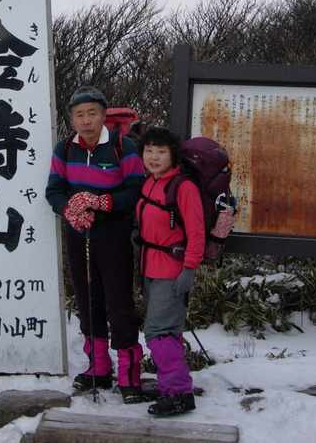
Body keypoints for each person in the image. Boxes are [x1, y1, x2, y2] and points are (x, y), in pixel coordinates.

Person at [45, 86, 147, 402]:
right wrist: (69, 210)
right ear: (71, 119)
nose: (86, 120)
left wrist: (102, 202)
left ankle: (129, 373)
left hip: (113, 234)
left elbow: (136, 190)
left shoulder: (122, 146)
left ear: (103, 116)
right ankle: (98, 367)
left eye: (92, 113)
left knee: (119, 302)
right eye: (79, 115)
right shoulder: (65, 149)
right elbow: (54, 190)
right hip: (78, 234)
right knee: (88, 300)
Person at [135, 126, 205, 416]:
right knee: (168, 331)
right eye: (149, 150)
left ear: (173, 155)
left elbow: (197, 232)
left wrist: (189, 269)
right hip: (150, 267)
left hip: (171, 270)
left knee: (158, 331)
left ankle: (178, 393)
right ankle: (171, 384)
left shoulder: (183, 187)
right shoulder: (151, 182)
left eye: (161, 152)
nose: (153, 157)